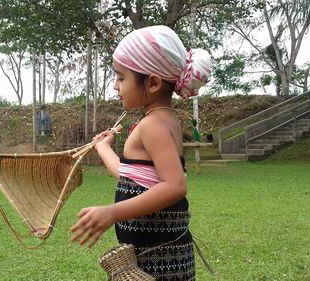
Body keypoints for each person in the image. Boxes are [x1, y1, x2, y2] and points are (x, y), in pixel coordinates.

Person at [70, 25, 211, 280]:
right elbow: (133, 178)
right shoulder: (161, 120)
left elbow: (175, 186)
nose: (115, 86)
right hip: (152, 256)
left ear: (153, 82)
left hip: (160, 261)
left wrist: (112, 212)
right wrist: (104, 148)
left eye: (121, 77)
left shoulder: (154, 125)